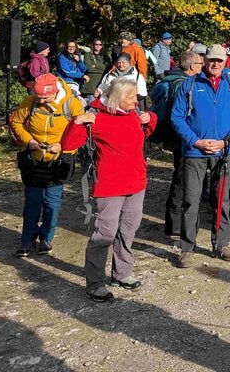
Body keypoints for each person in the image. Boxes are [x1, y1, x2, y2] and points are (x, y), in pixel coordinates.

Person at [61, 77, 156, 302]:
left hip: (136, 182)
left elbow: (147, 132)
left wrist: (150, 118)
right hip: (110, 185)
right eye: (131, 97)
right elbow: (68, 145)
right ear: (117, 98)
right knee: (104, 234)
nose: (136, 101)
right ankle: (95, 283)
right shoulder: (97, 118)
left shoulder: (133, 114)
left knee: (129, 229)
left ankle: (122, 273)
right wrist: (77, 121)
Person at [170, 44, 230, 267]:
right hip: (195, 151)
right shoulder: (190, 84)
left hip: (224, 152)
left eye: (219, 60)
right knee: (191, 199)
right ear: (204, 61)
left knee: (222, 198)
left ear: (226, 62)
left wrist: (227, 141)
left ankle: (221, 243)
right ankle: (187, 247)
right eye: (211, 60)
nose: (215, 64)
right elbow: (177, 117)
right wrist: (195, 141)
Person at [9, 73, 84, 256]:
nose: (41, 101)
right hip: (33, 159)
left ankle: (46, 239)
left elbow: (81, 131)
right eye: (38, 97)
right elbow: (16, 122)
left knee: (52, 201)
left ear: (55, 91)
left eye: (45, 97)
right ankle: (27, 240)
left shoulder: (71, 104)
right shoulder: (30, 102)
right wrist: (29, 141)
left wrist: (63, 146)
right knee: (32, 201)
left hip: (57, 160)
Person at [149, 50, 201, 238]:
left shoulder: (169, 79)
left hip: (172, 136)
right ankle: (175, 225)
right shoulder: (183, 84)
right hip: (182, 138)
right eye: (200, 64)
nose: (202, 67)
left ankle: (174, 223)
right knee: (182, 179)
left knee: (180, 177)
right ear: (193, 66)